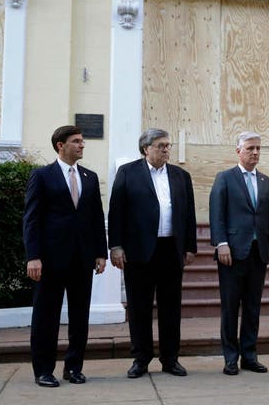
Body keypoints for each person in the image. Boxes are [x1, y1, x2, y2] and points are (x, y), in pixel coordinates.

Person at [108, 128, 197, 378]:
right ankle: (141, 358)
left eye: (168, 145)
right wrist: (116, 246)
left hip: (171, 249)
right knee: (139, 308)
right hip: (139, 251)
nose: (166, 149)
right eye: (161, 145)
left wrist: (190, 246)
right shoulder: (128, 172)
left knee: (171, 307)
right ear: (146, 148)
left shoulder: (181, 176)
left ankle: (170, 359)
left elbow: (189, 215)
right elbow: (116, 211)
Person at [23, 125, 107, 387]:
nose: (82, 145)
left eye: (82, 141)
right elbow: (31, 219)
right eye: (76, 141)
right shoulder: (42, 176)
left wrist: (100, 253)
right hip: (49, 260)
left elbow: (95, 218)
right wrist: (33, 256)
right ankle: (43, 371)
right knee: (46, 316)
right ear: (60, 145)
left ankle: (73, 367)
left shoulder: (89, 177)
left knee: (80, 316)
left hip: (82, 259)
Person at [209, 131, 269, 375]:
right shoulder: (225, 178)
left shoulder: (267, 182)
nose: (255, 152)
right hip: (231, 252)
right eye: (250, 148)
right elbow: (217, 213)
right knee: (231, 307)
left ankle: (249, 356)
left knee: (252, 307)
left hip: (258, 253)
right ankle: (231, 357)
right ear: (238, 151)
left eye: (258, 148)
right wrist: (221, 243)